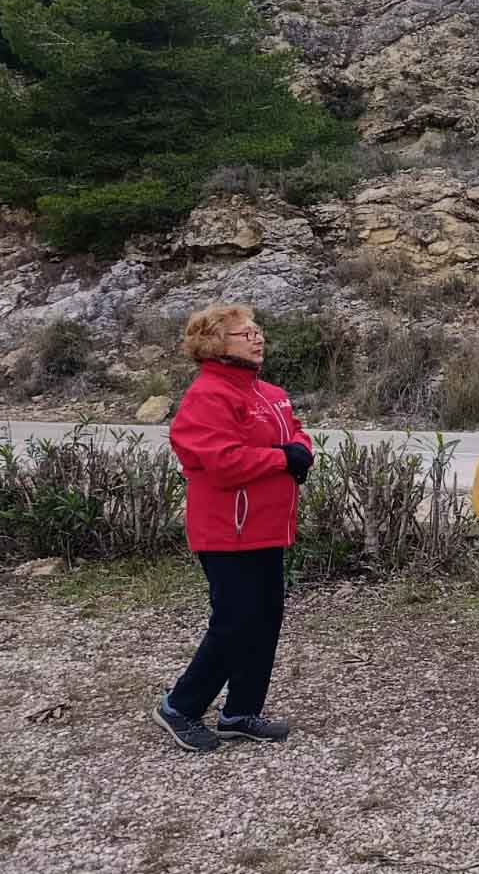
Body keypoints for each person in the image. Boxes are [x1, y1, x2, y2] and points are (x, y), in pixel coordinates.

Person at [151, 304, 314, 754]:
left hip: (268, 527)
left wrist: (298, 449)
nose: (257, 338)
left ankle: (241, 712)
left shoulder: (270, 392)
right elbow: (222, 462)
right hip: (227, 530)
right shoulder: (208, 395)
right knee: (235, 621)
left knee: (264, 619)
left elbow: (298, 434)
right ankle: (180, 706)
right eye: (245, 334)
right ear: (215, 344)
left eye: (258, 331)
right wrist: (285, 458)